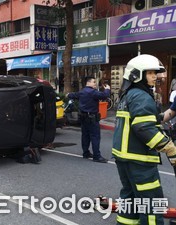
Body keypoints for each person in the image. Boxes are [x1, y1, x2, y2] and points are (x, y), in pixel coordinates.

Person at [112, 54, 176, 225]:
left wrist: (161, 116)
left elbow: (141, 120)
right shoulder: (141, 96)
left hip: (124, 158)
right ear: (136, 75)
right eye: (150, 73)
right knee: (151, 203)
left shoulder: (128, 95)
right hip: (139, 160)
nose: (155, 76)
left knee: (130, 198)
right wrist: (169, 148)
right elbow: (143, 128)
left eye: (155, 73)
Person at [66, 76, 110, 163]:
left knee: (85, 136)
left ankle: (86, 153)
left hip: (83, 118)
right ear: (88, 83)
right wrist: (107, 89)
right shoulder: (93, 92)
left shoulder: (82, 92)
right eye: (94, 82)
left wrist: (67, 94)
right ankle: (97, 156)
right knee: (95, 137)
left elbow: (72, 95)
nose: (95, 84)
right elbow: (105, 95)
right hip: (92, 118)